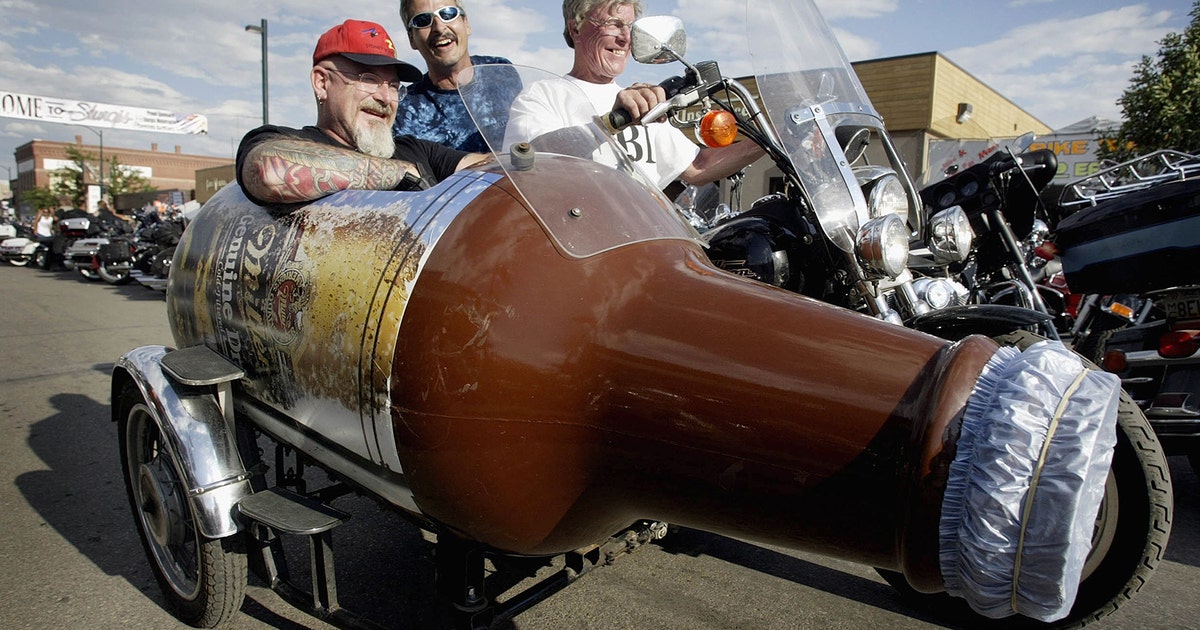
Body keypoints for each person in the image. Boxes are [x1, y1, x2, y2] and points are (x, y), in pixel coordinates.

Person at [503, 0, 763, 191]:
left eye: (629, 26)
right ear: (575, 30)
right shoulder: (544, 95)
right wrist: (611, 123)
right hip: (580, 249)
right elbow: (525, 162)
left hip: (645, 245)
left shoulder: (642, 101)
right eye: (613, 24)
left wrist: (777, 141)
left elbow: (698, 166)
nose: (625, 37)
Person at [237, 19, 490, 206]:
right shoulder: (285, 142)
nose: (385, 97)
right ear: (322, 83)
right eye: (368, 79)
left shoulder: (416, 150)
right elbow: (266, 172)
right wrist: (404, 175)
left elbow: (487, 167)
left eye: (393, 86)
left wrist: (524, 159)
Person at [394, 0, 523, 153]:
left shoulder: (501, 70)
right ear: (411, 38)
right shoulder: (404, 111)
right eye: (422, 20)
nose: (439, 28)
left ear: (466, 23)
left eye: (448, 14)